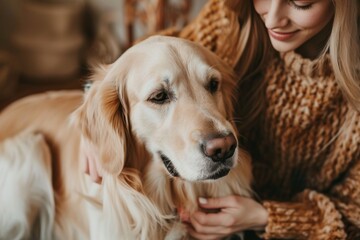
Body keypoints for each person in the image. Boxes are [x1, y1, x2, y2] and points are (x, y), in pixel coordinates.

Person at [81, 0, 360, 239]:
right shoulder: (231, 18)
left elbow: (355, 213)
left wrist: (268, 217)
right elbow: (162, 50)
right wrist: (96, 119)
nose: (273, 18)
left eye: (301, 3)